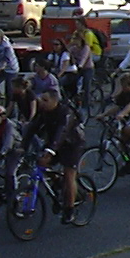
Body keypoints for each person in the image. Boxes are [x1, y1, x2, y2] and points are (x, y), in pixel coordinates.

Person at [24, 87, 85, 222]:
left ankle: (70, 210)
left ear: (54, 101)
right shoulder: (44, 112)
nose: (42, 102)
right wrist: (22, 147)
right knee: (41, 163)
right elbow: (32, 128)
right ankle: (57, 181)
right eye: (41, 99)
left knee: (69, 175)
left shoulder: (66, 113)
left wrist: (50, 150)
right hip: (54, 142)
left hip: (72, 144)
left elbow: (62, 132)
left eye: (45, 100)